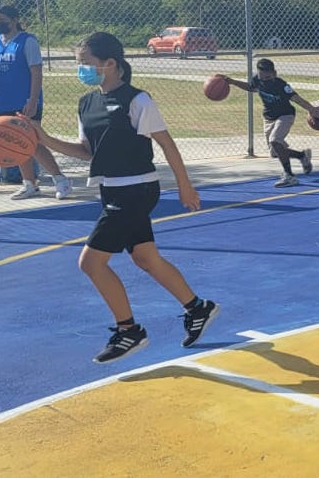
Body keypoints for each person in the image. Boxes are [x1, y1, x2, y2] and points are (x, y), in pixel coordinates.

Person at [31, 32, 218, 363]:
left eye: (86, 64)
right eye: (79, 65)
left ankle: (128, 330)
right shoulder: (86, 104)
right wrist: (43, 138)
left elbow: (167, 144)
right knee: (145, 258)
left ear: (110, 64)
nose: (81, 70)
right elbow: (88, 152)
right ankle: (197, 307)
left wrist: (185, 186)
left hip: (137, 189)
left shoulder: (137, 100)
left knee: (90, 262)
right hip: (111, 189)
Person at [0, 5, 70, 199]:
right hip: (4, 102)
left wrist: (33, 100)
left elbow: (36, 72)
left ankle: (60, 179)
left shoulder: (27, 41)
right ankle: (29, 184)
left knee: (32, 143)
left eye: (3, 20)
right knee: (16, 143)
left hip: (26, 101)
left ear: (15, 20)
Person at [222, 58, 316, 187]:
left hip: (285, 115)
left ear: (274, 73)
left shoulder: (281, 85)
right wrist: (232, 82)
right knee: (275, 152)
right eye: (262, 77)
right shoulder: (257, 80)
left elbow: (297, 99)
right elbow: (250, 87)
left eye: (268, 77)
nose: (264, 80)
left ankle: (289, 176)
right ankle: (301, 155)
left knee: (275, 140)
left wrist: (312, 110)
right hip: (269, 118)